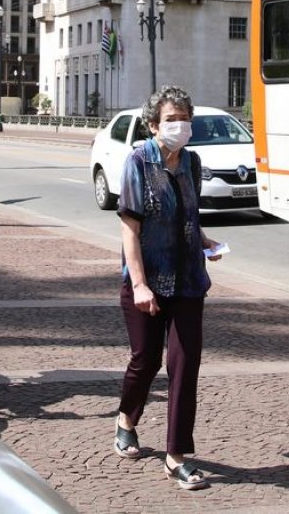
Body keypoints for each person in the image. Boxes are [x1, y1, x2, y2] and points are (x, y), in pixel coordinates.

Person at [112, 86, 222, 492]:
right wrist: (139, 284)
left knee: (185, 364)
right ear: (154, 125)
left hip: (189, 280)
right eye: (172, 119)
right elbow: (130, 228)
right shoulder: (139, 162)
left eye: (185, 118)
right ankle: (126, 418)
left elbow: (187, 215)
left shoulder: (191, 163)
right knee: (146, 361)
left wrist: (206, 242)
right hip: (148, 280)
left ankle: (176, 457)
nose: (181, 125)